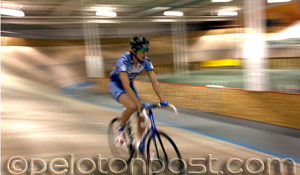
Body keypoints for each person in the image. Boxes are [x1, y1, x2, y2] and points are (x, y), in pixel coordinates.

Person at [108, 35, 169, 158]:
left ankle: (141, 145)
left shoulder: (146, 62)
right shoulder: (123, 61)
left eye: (147, 49)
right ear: (134, 50)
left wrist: (162, 99)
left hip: (129, 85)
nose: (145, 53)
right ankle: (120, 130)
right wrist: (137, 104)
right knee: (131, 106)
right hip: (117, 85)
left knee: (142, 114)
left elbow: (155, 82)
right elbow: (126, 87)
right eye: (142, 50)